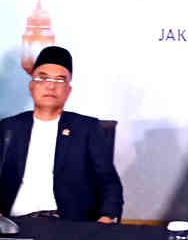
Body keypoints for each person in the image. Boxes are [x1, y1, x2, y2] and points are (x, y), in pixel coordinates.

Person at [0, 46, 123, 222]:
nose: (51, 86)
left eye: (59, 80)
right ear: (31, 86)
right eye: (43, 78)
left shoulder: (86, 128)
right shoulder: (9, 128)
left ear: (68, 90)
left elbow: (109, 184)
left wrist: (105, 220)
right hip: (14, 223)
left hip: (68, 226)